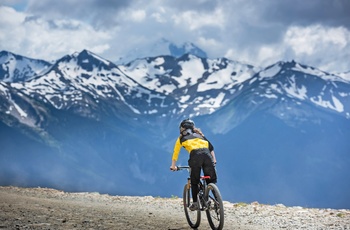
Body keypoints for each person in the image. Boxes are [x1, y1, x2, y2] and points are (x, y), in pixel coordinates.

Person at [170, 118, 217, 211]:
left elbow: (176, 152)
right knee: (210, 181)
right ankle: (217, 202)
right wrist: (214, 160)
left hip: (195, 156)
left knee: (194, 181)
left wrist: (173, 166)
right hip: (208, 156)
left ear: (183, 129)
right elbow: (211, 148)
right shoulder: (200, 135)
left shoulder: (181, 138)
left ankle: (195, 203)